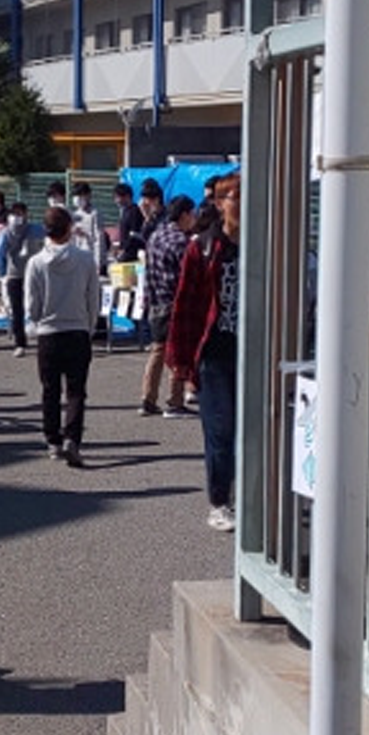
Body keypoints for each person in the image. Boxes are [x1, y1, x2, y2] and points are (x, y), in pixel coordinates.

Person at [166, 174, 241, 531]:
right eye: (236, 198)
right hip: (214, 351)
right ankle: (219, 501)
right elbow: (185, 305)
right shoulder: (204, 248)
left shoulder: (266, 245)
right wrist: (180, 360)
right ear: (220, 203)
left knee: (253, 430)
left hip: (254, 351)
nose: (242, 205)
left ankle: (249, 497)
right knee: (220, 429)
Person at [24, 205, 100, 468]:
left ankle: (52, 440)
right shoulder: (85, 259)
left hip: (48, 333)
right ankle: (73, 440)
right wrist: (89, 327)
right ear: (69, 229)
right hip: (78, 330)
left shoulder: (35, 263)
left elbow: (31, 306)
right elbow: (93, 299)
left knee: (50, 390)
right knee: (77, 391)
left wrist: (36, 322)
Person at [137, 195, 196, 416]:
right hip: (175, 302)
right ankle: (174, 401)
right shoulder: (181, 241)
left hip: (155, 301)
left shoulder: (156, 235)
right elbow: (187, 276)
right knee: (177, 352)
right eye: (192, 213)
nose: (194, 218)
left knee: (158, 350)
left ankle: (147, 398)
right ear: (184, 215)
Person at [0, 200, 44, 355]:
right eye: (14, 214)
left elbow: (48, 243)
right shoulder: (6, 232)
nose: (17, 217)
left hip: (34, 273)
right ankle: (20, 343)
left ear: (26, 215)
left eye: (20, 213)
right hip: (14, 274)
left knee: (37, 305)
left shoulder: (36, 229)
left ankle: (43, 336)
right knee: (16, 309)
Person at [70, 182, 104, 268]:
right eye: (75, 196)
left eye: (80, 195)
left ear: (88, 196)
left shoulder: (94, 213)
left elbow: (99, 238)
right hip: (77, 256)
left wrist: (98, 262)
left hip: (90, 256)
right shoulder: (74, 214)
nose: (77, 198)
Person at [112, 182, 145, 262]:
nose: (116, 201)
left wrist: (124, 249)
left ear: (127, 196)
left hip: (132, 254)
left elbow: (134, 234)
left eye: (118, 197)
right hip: (125, 251)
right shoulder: (125, 212)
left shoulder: (134, 211)